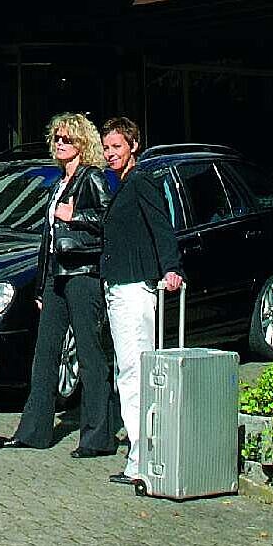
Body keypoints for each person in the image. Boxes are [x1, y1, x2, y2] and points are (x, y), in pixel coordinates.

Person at [3, 113, 113, 456]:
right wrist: (41, 286)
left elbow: (107, 219)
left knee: (90, 354)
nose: (60, 144)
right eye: (57, 139)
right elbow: (48, 240)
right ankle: (33, 432)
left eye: (67, 139)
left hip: (82, 274)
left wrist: (74, 215)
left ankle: (97, 438)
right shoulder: (58, 183)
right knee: (45, 353)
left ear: (82, 143)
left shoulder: (92, 178)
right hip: (56, 275)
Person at [97, 115, 181, 488]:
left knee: (134, 373)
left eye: (117, 146)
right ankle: (142, 452)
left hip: (133, 288)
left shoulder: (141, 181)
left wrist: (171, 267)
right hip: (119, 287)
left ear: (133, 145)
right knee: (129, 371)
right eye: (106, 147)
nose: (110, 153)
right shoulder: (121, 184)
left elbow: (161, 226)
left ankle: (142, 457)